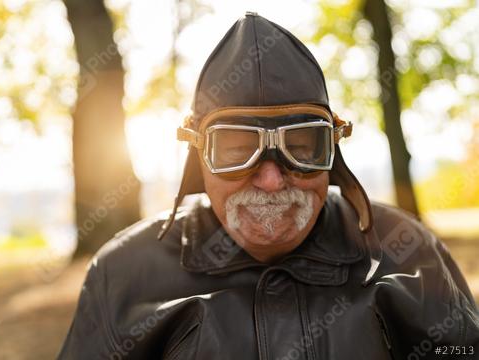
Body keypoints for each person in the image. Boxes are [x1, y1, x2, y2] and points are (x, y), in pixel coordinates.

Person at [59, 12, 478, 360]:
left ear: (333, 149)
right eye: (237, 150)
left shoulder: (411, 255)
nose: (272, 179)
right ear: (198, 156)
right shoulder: (123, 276)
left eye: (301, 148)